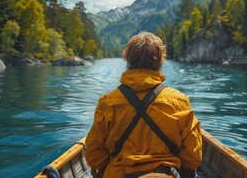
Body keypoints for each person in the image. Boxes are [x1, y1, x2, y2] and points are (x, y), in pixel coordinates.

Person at [85, 32, 202, 178]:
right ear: (160, 60)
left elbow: (94, 152)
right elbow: (193, 154)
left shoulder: (108, 103)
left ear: (127, 58)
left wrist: (103, 172)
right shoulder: (179, 101)